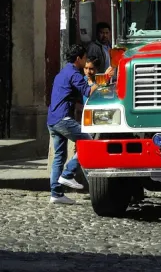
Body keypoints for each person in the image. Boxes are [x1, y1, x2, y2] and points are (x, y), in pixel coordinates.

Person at [47, 43, 99, 205]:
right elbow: (88, 91)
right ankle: (68, 174)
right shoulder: (74, 73)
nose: (85, 61)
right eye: (84, 58)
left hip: (52, 119)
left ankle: (56, 193)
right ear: (79, 59)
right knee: (89, 143)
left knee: (59, 156)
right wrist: (103, 83)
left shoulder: (63, 72)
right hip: (63, 119)